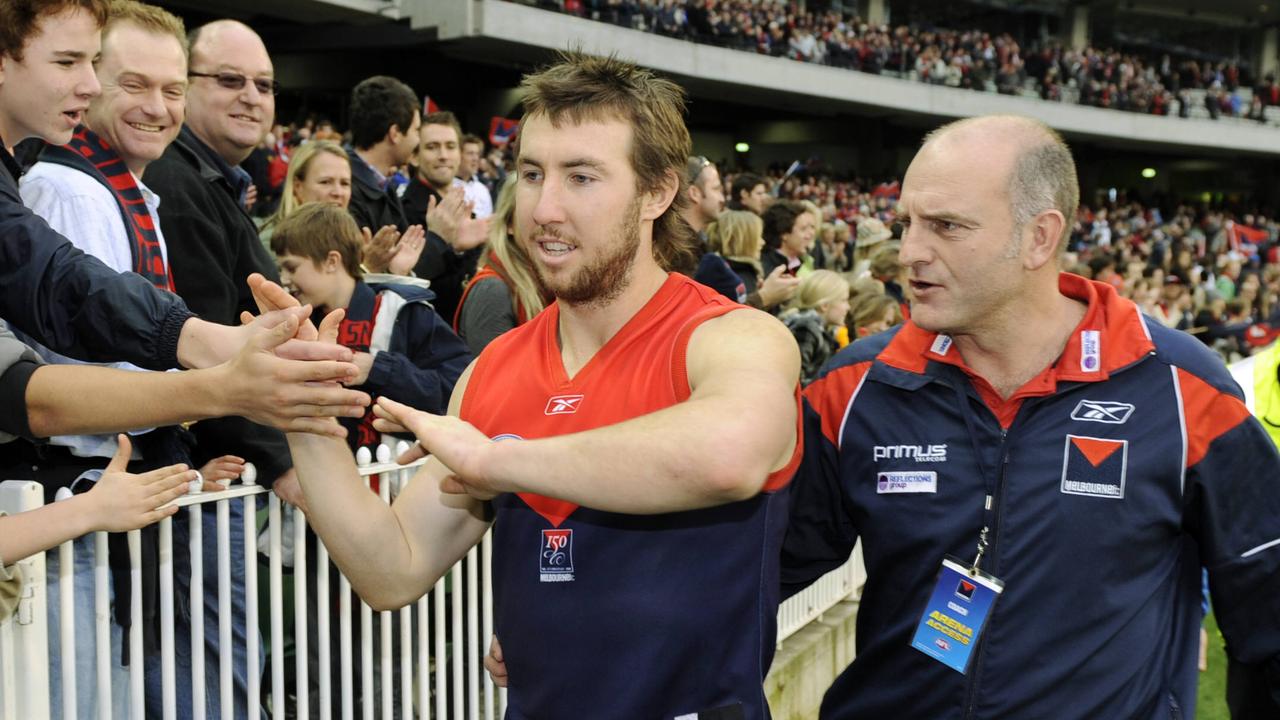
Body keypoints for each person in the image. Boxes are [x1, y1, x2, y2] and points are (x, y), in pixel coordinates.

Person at [275, 51, 802, 719]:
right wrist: (304, 414)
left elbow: (728, 456)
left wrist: (498, 458)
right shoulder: (493, 370)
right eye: (530, 174)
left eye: (581, 176)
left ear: (657, 192)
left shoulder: (731, 338)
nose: (544, 208)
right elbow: (392, 569)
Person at [782, 114, 1280, 718]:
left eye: (946, 226)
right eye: (905, 223)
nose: (909, 251)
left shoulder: (1181, 388)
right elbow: (749, 576)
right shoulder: (858, 385)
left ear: (1039, 238)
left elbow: (1268, 612)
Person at [0, 0, 365, 409]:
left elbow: (63, 282)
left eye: (172, 90)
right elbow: (61, 343)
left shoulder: (136, 191)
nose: (87, 85)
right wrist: (219, 378)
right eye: (68, 62)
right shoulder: (71, 191)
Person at [271, 202, 471, 447]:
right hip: (325, 473)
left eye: (291, 268)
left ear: (332, 261)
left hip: (395, 477)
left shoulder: (402, 310)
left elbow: (459, 389)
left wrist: (380, 369)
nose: (284, 279)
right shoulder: (295, 324)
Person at [261, 139, 423, 274]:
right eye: (325, 182)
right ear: (298, 187)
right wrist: (366, 269)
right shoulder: (271, 242)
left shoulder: (355, 243)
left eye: (345, 183)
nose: (338, 192)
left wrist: (394, 271)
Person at [453, 176, 550, 354]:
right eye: (532, 213)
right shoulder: (492, 290)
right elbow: (493, 378)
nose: (546, 222)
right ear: (509, 224)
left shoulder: (554, 279)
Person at [706, 208, 798, 311]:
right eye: (758, 237)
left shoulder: (742, 271)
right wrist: (766, 295)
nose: (762, 242)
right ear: (743, 239)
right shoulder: (726, 277)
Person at [779, 269, 849, 384]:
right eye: (844, 300)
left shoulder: (823, 331)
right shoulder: (806, 329)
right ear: (825, 305)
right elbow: (796, 380)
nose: (848, 307)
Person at [761, 199, 817, 278]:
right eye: (803, 229)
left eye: (812, 227)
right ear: (784, 234)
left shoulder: (804, 262)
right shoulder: (766, 269)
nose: (811, 234)